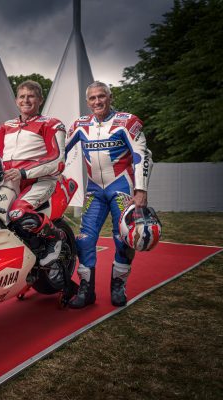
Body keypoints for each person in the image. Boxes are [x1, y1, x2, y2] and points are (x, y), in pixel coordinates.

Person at [65, 81, 153, 308]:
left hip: (122, 190)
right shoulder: (80, 124)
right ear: (87, 102)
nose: (97, 101)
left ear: (110, 97)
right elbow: (59, 152)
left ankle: (118, 287)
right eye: (92, 98)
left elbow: (142, 155)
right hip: (94, 190)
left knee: (123, 239)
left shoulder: (127, 121)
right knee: (84, 240)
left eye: (101, 96)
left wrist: (141, 190)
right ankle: (86, 291)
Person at [0, 80, 66, 266]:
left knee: (17, 213)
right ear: (16, 101)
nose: (26, 100)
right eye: (22, 96)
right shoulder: (6, 126)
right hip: (10, 181)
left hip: (40, 180)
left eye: (31, 96)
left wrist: (23, 172)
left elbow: (57, 160)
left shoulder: (52, 124)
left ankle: (55, 238)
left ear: (40, 99)